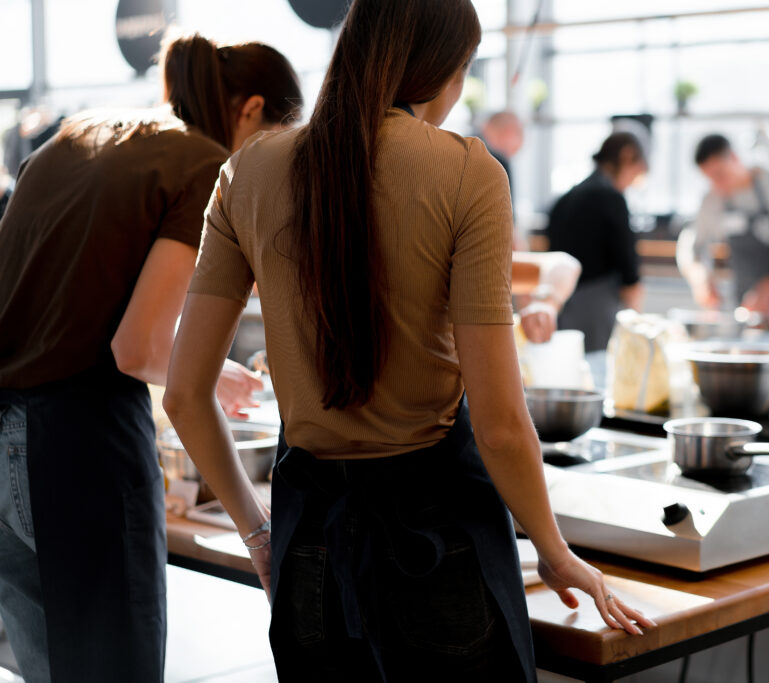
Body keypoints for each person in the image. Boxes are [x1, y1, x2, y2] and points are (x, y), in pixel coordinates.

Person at [162, 2, 653, 682]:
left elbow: (186, 394)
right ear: (437, 73)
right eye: (464, 71)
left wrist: (259, 535)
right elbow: (505, 425)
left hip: (311, 547)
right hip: (435, 543)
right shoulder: (468, 173)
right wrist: (553, 547)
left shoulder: (245, 173)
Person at [0, 34, 302, 682]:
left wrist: (206, 368)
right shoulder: (205, 166)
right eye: (278, 139)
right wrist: (258, 532)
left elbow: (73, 313)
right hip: (77, 452)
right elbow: (134, 349)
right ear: (250, 111)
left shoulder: (88, 134)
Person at [677, 133, 769, 315]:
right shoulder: (713, 199)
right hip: (748, 312)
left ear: (734, 158)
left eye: (720, 174)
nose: (717, 184)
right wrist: (700, 278)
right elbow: (691, 246)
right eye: (710, 178)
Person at [546, 132, 647, 352]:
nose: (632, 182)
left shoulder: (565, 199)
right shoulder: (610, 197)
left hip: (562, 300)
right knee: (600, 367)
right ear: (627, 156)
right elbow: (626, 259)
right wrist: (636, 313)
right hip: (597, 303)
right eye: (636, 174)